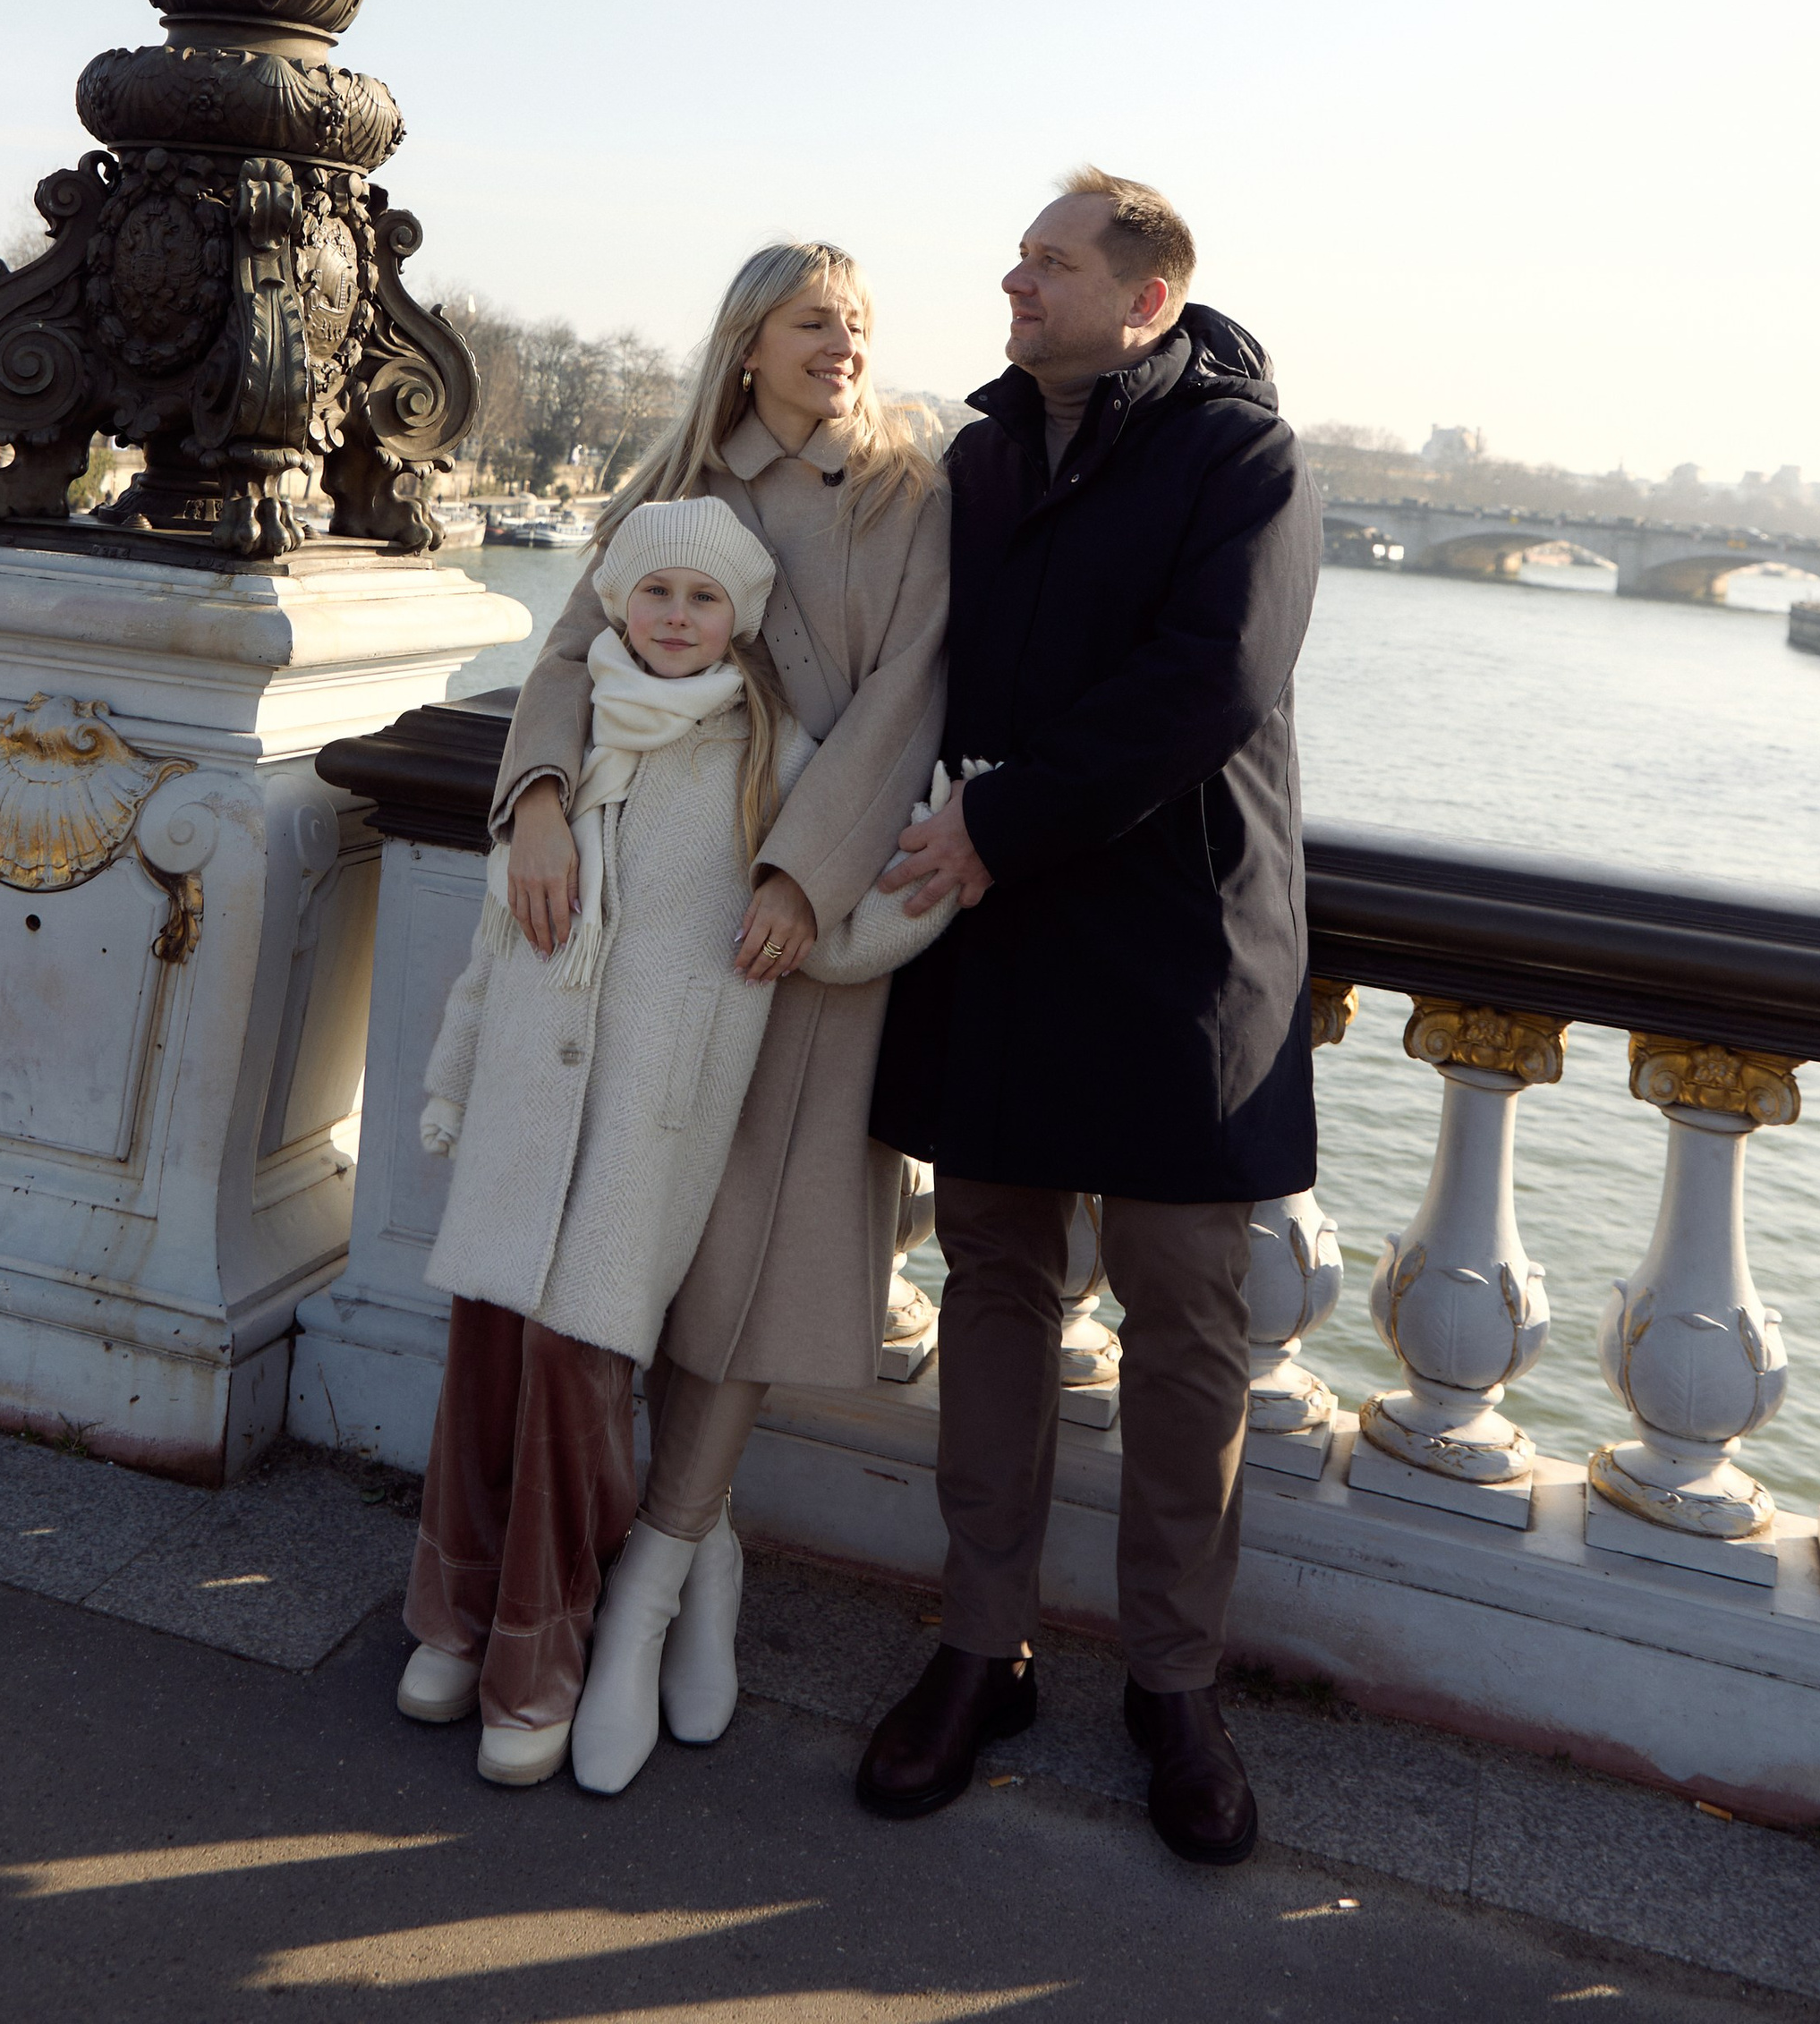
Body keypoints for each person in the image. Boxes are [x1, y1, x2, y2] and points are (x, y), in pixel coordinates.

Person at [859, 169, 1321, 1864]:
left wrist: (995, 823)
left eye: (1047, 263)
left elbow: (1210, 683)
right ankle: (984, 1647)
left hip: (1178, 944)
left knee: (1187, 1319)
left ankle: (1175, 1686)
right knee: (990, 1279)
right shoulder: (975, 460)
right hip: (994, 930)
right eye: (1018, 257)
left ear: (1145, 297)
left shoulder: (1245, 457)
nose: (1011, 280)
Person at [486, 242, 950, 1790]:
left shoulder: (911, 494)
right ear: (748, 340)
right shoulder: (668, 482)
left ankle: (657, 1579)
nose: (846, 345)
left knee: (743, 1259)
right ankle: (694, 1547)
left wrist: (804, 881)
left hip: (779, 938)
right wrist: (538, 796)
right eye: (816, 321)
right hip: (638, 937)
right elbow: (564, 657)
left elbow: (907, 709)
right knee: (628, 1246)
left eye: (861, 324)